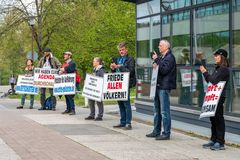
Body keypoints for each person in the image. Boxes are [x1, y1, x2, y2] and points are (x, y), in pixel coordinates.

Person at [146, 39, 176, 140]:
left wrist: (156, 60)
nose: (159, 47)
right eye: (159, 45)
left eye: (160, 45)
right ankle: (156, 131)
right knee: (156, 110)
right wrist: (155, 65)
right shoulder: (162, 57)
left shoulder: (170, 57)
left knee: (164, 111)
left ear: (166, 47)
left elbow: (164, 70)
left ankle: (166, 133)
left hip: (164, 87)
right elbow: (160, 68)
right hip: (158, 86)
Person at [200, 49, 230, 151]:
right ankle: (214, 139)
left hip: (219, 97)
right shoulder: (218, 68)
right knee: (213, 119)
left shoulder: (224, 69)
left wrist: (205, 72)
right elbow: (210, 80)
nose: (215, 57)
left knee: (218, 119)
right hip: (214, 97)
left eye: (217, 56)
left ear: (222, 57)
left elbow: (213, 81)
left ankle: (220, 142)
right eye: (215, 55)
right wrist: (206, 74)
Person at [110, 42, 136, 130]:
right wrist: (113, 68)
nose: (121, 51)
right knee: (120, 103)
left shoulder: (130, 59)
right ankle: (122, 122)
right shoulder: (117, 59)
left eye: (122, 50)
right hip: (118, 84)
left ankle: (128, 123)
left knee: (126, 103)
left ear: (126, 50)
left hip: (126, 83)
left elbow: (131, 71)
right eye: (120, 50)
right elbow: (114, 73)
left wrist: (119, 67)